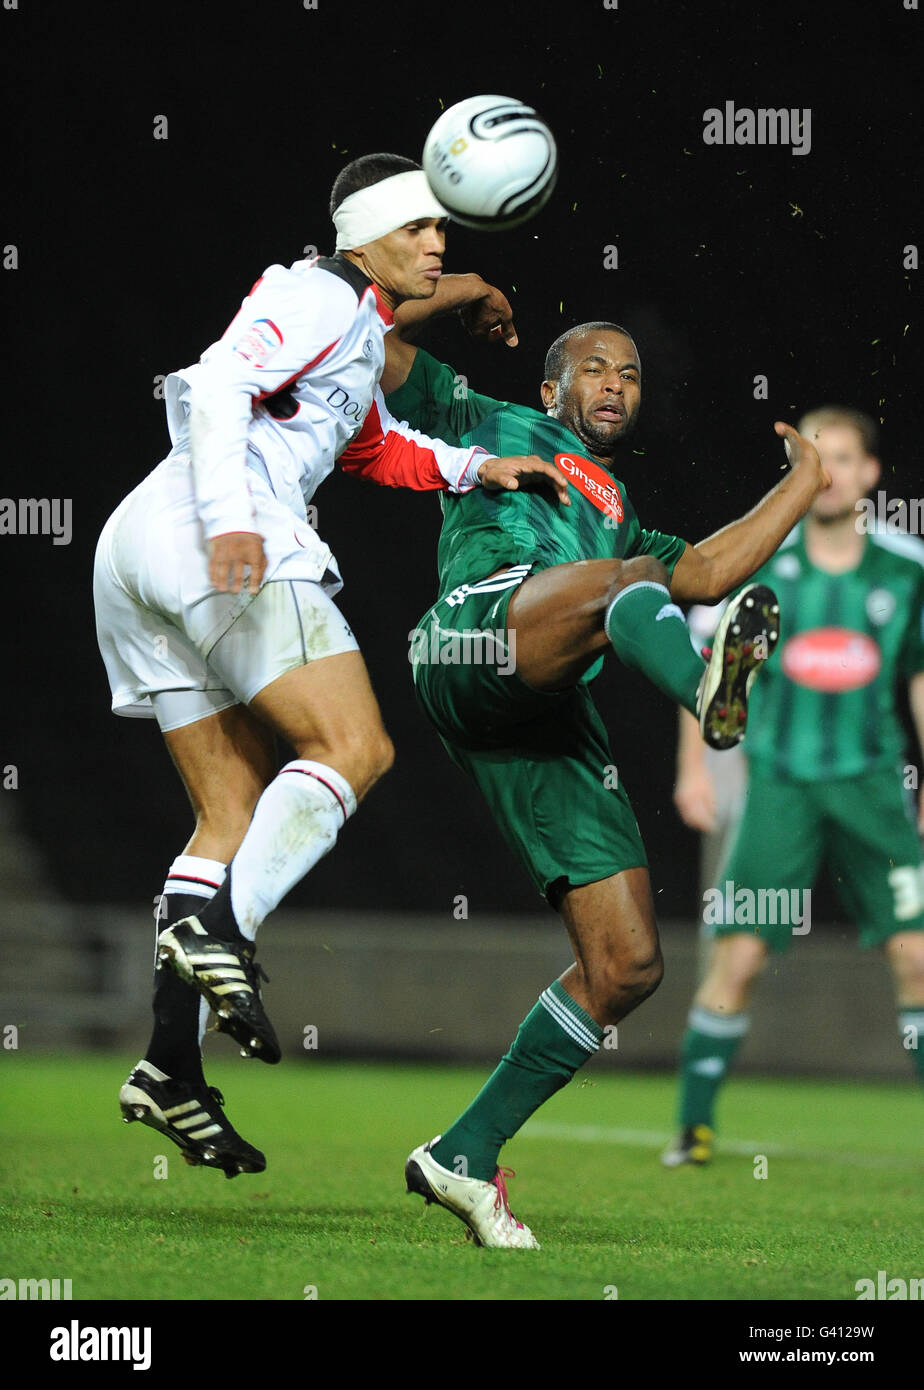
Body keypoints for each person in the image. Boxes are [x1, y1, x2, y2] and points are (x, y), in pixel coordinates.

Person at [93, 152, 567, 1179]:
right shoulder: (315, 290)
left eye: (446, 233)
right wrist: (229, 523)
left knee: (228, 816)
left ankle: (171, 1069)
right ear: (365, 236)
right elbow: (220, 382)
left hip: (139, 544)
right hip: (210, 527)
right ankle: (222, 931)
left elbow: (364, 446)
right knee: (354, 744)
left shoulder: (354, 325)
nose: (438, 245)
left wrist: (472, 465)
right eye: (419, 232)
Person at [379, 297, 829, 1247]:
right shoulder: (489, 420)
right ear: (552, 386)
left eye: (628, 372)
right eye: (594, 367)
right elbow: (377, 349)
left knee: (628, 966)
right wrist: (454, 290)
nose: (615, 382)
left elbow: (706, 571)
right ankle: (706, 696)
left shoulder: (619, 519)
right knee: (629, 587)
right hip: (471, 640)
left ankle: (462, 1154)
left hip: (545, 703)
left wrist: (804, 483)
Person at [663, 406, 924, 1166]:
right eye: (815, 457)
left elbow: (918, 682)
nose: (829, 472)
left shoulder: (906, 568)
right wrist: (693, 770)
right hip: (779, 785)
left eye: (843, 457)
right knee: (737, 956)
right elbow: (707, 669)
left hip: (875, 787)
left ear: (871, 473)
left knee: (916, 957)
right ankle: (693, 1130)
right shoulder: (760, 564)